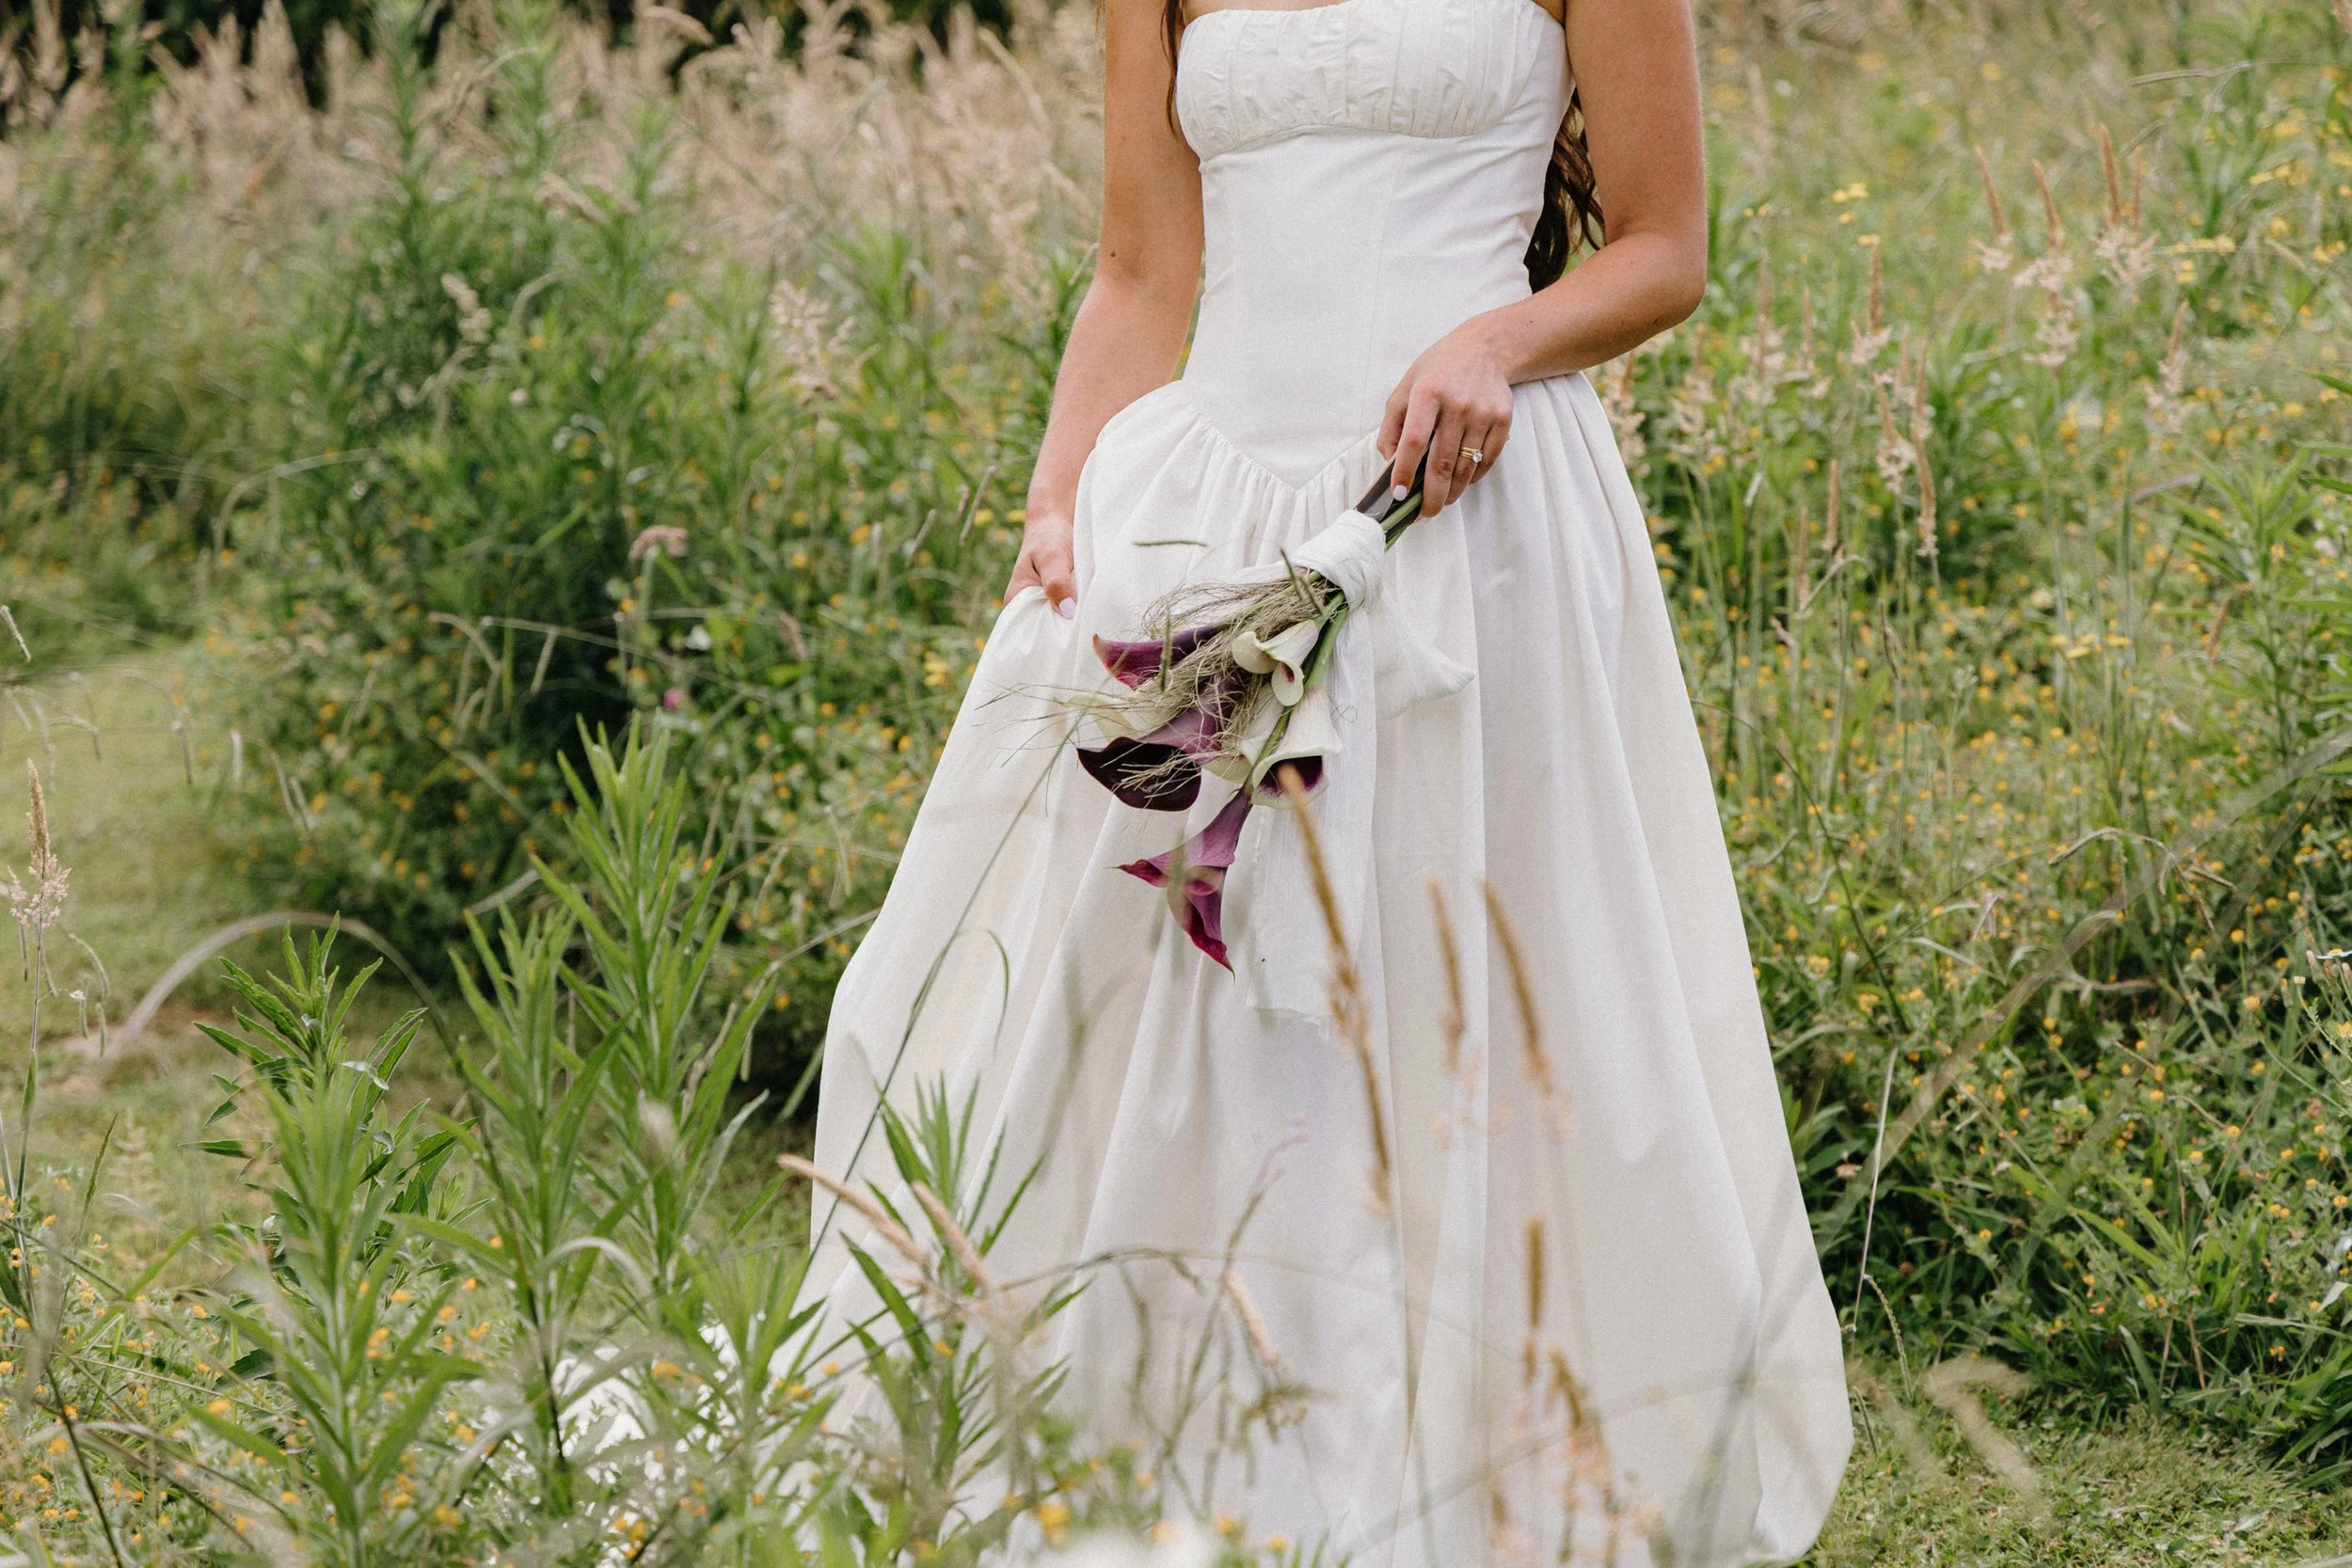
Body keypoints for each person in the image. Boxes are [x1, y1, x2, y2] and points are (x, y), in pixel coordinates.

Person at [806, 0, 1851, 1560]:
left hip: (1466, 520)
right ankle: (1167, 1451)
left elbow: (1663, 246)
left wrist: (1496, 338)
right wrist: (1056, 507)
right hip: (1205, 516)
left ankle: (1455, 1463)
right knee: (1177, 993)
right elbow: (1141, 270)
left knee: (1457, 982)